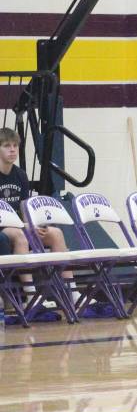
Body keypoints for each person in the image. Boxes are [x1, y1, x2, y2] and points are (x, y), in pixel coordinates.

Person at [0, 127, 78, 304]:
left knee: (55, 234)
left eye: (15, 146)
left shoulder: (20, 174)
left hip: (20, 225)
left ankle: (73, 293)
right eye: (6, 146)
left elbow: (24, 205)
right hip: (4, 227)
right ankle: (31, 296)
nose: (12, 150)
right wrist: (24, 227)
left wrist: (31, 226)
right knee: (20, 236)